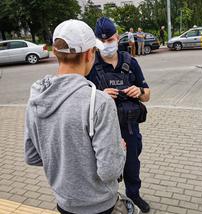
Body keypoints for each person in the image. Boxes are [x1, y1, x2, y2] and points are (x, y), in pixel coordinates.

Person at [24, 20, 126, 214]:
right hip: (101, 205)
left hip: (64, 203)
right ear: (89, 54)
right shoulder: (99, 102)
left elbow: (31, 156)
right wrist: (120, 148)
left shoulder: (36, 97)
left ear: (56, 53)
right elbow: (109, 171)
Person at [87, 17, 151, 213]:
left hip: (129, 127)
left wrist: (139, 92)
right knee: (104, 170)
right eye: (103, 41)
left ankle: (134, 195)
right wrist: (100, 96)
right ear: (97, 42)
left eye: (110, 40)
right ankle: (108, 200)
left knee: (132, 165)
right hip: (102, 130)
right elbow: (81, 98)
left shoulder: (130, 62)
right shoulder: (90, 65)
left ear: (117, 36)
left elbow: (147, 94)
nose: (107, 44)